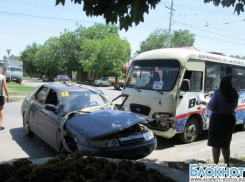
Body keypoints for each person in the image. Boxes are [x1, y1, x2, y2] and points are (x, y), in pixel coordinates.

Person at [201, 75, 238, 166]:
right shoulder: (234, 94)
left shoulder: (218, 93)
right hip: (230, 119)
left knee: (216, 143)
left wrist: (206, 103)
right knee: (225, 143)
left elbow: (212, 106)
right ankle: (227, 163)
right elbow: (235, 106)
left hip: (218, 119)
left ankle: (216, 164)